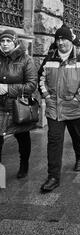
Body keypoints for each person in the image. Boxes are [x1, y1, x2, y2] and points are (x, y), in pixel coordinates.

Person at [38, 24, 80, 193]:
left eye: (64, 38)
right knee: (54, 142)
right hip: (54, 109)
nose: (61, 42)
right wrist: (47, 97)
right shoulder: (50, 57)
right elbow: (41, 78)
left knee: (77, 136)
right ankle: (53, 177)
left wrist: (78, 98)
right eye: (58, 39)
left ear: (71, 40)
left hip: (75, 108)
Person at [0, 29, 38, 179]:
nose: (5, 44)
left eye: (8, 41)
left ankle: (24, 165)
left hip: (17, 107)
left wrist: (8, 89)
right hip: (0, 107)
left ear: (15, 42)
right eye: (2, 41)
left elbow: (31, 85)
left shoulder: (26, 60)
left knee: (22, 138)